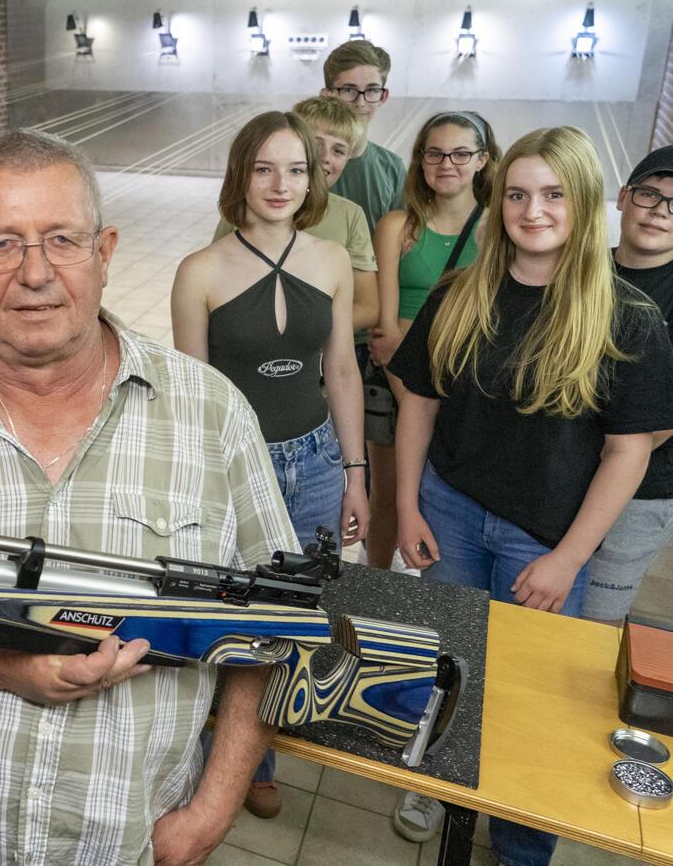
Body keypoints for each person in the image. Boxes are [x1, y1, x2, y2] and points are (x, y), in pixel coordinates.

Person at [0, 129, 299, 866]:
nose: (34, 273)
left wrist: (211, 810)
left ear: (104, 253)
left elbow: (281, 627)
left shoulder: (211, 413)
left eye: (61, 239)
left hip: (129, 848)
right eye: (2, 244)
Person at [388, 127, 673, 862]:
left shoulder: (627, 315)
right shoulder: (462, 291)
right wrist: (412, 503)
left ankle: (520, 845)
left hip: (540, 538)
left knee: (537, 703)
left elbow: (627, 451)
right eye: (516, 193)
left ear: (582, 204)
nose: (532, 209)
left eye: (551, 194)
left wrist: (568, 560)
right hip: (449, 507)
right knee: (452, 664)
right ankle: (447, 794)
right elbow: (418, 398)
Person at [173, 110, 368, 820]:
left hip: (315, 458)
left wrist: (355, 473)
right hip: (234, 467)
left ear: (312, 178)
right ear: (239, 176)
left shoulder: (331, 259)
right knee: (226, 613)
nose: (280, 183)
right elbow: (192, 399)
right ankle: (207, 750)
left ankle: (260, 753)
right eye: (263, 168)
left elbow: (341, 372)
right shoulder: (199, 271)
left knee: (292, 614)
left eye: (295, 168)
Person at [365, 111, 499, 569]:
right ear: (420, 160)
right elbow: (384, 332)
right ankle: (373, 586)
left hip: (464, 381)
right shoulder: (398, 226)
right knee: (388, 496)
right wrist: (416, 400)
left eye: (461, 153)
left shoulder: (497, 232)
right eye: (435, 153)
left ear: (482, 159)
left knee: (449, 501)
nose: (448, 163)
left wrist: (430, 403)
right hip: (393, 376)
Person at [584, 145, 673, 623]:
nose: (660, 212)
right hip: (559, 475)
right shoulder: (581, 270)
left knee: (590, 624)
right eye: (650, 195)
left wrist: (594, 461)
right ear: (623, 197)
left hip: (641, 489)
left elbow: (662, 423)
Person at [214, 96, 378, 332]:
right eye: (315, 144)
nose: (325, 157)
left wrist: (300, 337)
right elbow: (217, 281)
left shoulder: (349, 215)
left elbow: (368, 307)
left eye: (339, 151)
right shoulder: (248, 206)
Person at [319, 39, 407, 236]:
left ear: (383, 97)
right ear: (326, 95)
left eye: (371, 90)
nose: (360, 102)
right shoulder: (298, 162)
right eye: (348, 90)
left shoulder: (392, 169)